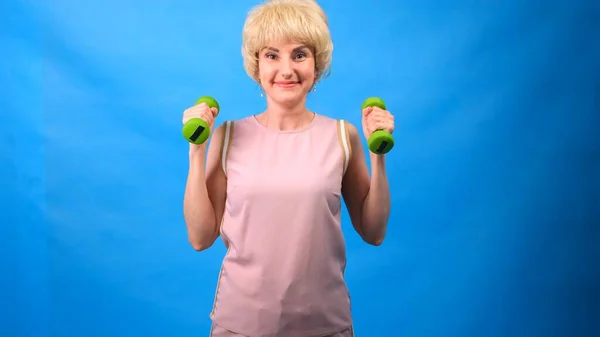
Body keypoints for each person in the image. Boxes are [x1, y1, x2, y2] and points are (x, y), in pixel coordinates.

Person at [181, 0, 394, 336]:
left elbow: (374, 232)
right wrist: (197, 152)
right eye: (272, 55)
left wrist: (377, 157)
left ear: (316, 62)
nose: (286, 70)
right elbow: (199, 237)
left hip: (325, 325)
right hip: (241, 325)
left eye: (299, 54)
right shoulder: (228, 136)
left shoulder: (342, 135)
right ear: (257, 63)